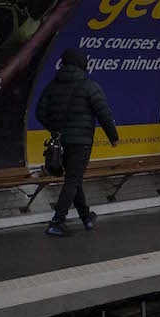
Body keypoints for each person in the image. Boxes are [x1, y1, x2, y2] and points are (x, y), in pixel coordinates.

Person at [36, 49, 119, 236]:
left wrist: (54, 129)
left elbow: (40, 113)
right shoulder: (89, 86)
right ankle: (57, 222)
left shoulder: (51, 86)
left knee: (74, 179)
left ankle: (86, 218)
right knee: (73, 179)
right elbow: (104, 113)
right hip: (81, 142)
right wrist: (113, 137)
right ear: (82, 65)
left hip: (61, 142)